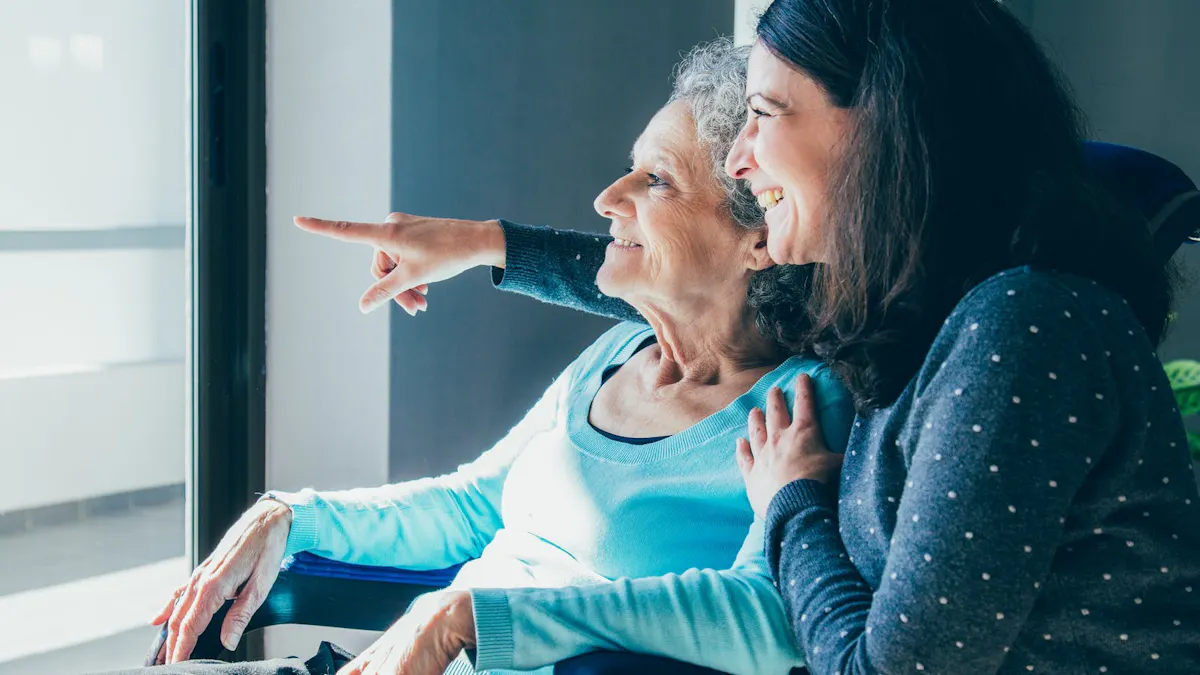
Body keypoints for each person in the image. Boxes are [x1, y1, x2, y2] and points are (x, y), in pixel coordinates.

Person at [327, 1, 1200, 673]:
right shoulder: (899, 324)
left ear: (882, 127)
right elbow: (695, 279)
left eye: (766, 113)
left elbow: (882, 666)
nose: (742, 160)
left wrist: (789, 502)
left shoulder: (1019, 328)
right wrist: (488, 246)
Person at [124, 40, 855, 675]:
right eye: (629, 170)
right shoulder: (618, 353)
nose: (607, 198)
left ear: (758, 234)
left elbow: (763, 614)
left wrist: (474, 614)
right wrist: (292, 514)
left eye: (656, 180)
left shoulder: (800, 408)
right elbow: (472, 505)